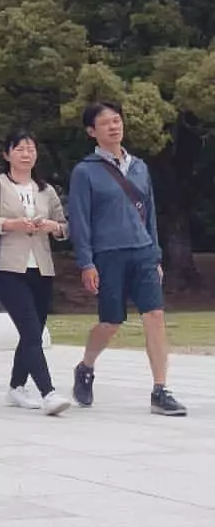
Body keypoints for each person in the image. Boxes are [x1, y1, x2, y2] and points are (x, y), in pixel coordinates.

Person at [68, 100, 187, 416]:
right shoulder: (85, 171)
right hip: (108, 255)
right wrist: (86, 262)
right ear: (92, 131)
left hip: (143, 251)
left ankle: (160, 389)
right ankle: (86, 366)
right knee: (111, 321)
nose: (114, 126)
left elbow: (150, 215)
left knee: (155, 315)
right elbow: (79, 221)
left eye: (117, 120)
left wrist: (156, 255)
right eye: (105, 122)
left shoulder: (140, 167)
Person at [0, 131, 69, 414]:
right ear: (7, 154)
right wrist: (10, 224)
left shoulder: (46, 190)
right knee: (30, 329)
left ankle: (16, 387)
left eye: (31, 149)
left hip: (42, 267)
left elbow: (64, 226)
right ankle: (48, 392)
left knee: (31, 332)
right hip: (8, 267)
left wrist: (53, 227)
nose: (26, 154)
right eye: (20, 149)